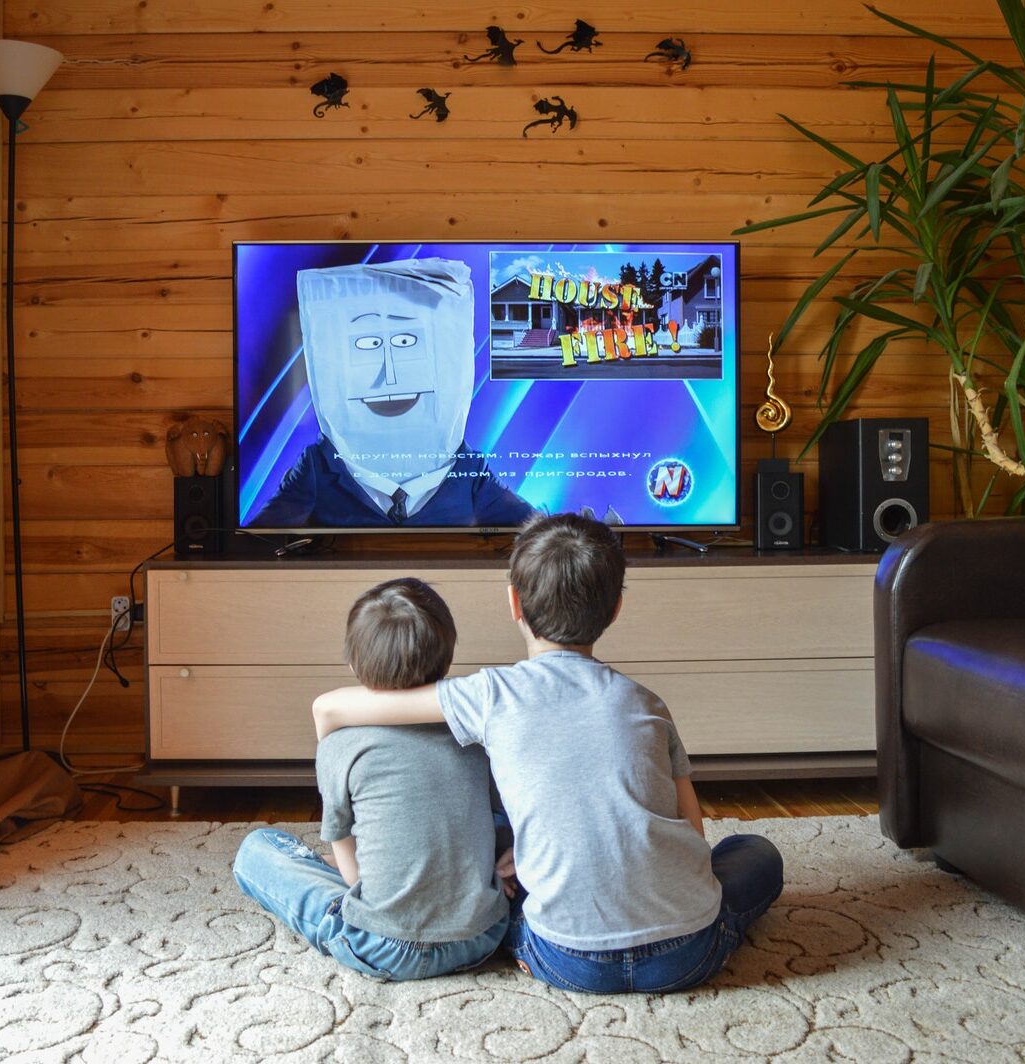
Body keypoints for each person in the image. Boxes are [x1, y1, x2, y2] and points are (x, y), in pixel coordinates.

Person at [312, 513, 784, 993]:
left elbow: (365, 704)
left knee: (500, 861)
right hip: (685, 954)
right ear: (616, 608)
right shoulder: (648, 703)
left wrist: (325, 717)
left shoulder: (491, 694)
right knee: (755, 852)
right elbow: (693, 834)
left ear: (513, 602)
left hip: (567, 959)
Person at [234, 578, 509, 980]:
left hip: (384, 947)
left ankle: (384, 879)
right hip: (482, 937)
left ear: (353, 663)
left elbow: (350, 870)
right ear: (447, 661)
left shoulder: (339, 745)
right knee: (491, 821)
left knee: (256, 849)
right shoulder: (473, 735)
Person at [248, 258, 532, 529]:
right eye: (368, 344)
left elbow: (543, 534)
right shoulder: (317, 466)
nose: (391, 375)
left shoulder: (469, 471)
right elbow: (256, 542)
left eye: (406, 341)